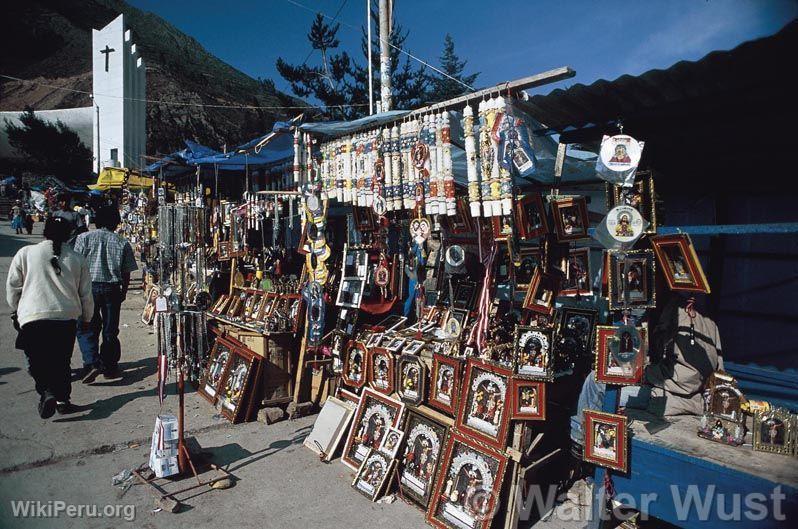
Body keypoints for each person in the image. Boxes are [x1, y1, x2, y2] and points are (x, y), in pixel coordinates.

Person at [6, 217, 94, 418]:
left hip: (33, 316)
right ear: (69, 234)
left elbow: (13, 287)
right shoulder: (77, 258)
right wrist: (87, 318)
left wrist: (17, 309)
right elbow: (86, 294)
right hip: (65, 318)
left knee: (38, 360)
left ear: (44, 232)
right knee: (61, 361)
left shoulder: (26, 253)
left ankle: (46, 391)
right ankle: (63, 401)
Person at [74, 206, 138, 381]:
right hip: (112, 289)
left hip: (88, 288)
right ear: (116, 222)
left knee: (88, 326)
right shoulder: (121, 242)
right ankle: (110, 367)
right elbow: (127, 272)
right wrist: (123, 291)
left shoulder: (83, 238)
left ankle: (92, 363)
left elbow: (75, 265)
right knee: (110, 330)